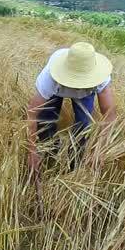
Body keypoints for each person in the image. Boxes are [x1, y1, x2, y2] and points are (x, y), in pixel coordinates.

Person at [25, 42, 115, 186]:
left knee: (83, 127)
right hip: (57, 89)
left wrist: (100, 149)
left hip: (87, 91)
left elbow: (109, 115)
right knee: (46, 123)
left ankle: (75, 167)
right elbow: (32, 113)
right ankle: (49, 157)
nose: (78, 86)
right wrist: (32, 151)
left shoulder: (100, 78)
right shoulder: (51, 78)